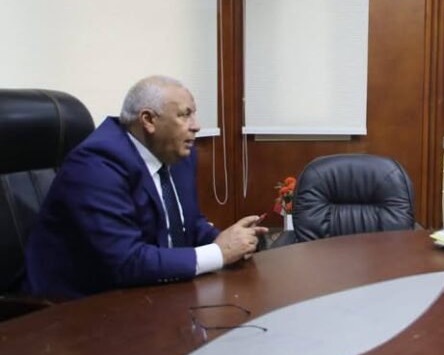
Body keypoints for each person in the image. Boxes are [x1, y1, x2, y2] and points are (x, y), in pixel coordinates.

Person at [25, 75, 267, 298]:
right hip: (82, 305)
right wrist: (219, 253)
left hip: (155, 293)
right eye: (185, 115)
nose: (196, 126)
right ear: (149, 120)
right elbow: (126, 261)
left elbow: (189, 224)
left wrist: (231, 241)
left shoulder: (175, 153)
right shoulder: (96, 165)